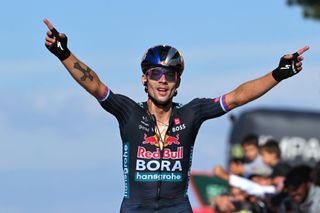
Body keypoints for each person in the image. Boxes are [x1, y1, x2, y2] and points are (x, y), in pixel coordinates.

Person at [43, 18, 309, 212]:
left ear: (177, 82)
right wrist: (64, 54)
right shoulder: (129, 112)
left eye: (169, 75)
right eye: (155, 74)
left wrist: (278, 74)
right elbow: (94, 85)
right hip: (135, 208)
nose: (162, 80)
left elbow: (238, 96)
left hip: (177, 207)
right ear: (144, 80)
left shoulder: (192, 113)